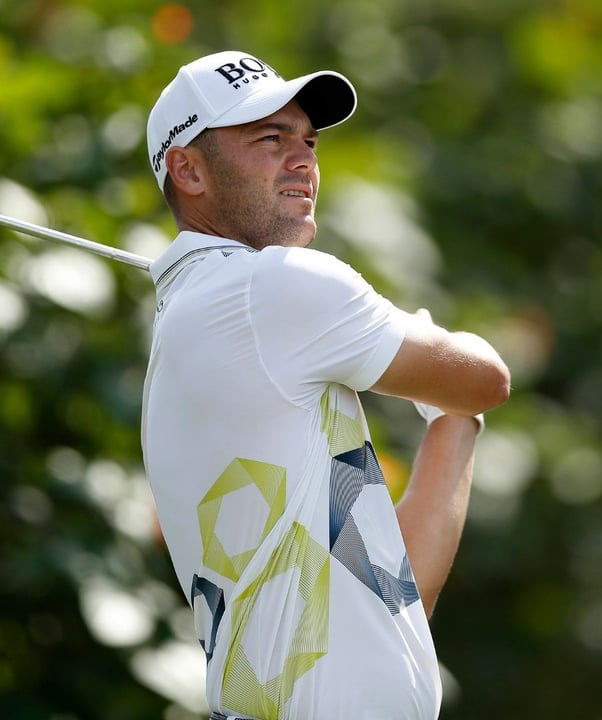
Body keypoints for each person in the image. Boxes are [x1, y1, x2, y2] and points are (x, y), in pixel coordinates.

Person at [140, 50, 510, 720]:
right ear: (188, 169)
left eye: (307, 140)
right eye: (268, 138)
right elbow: (487, 379)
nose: (303, 159)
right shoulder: (271, 287)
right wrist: (460, 358)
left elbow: (397, 605)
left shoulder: (208, 317)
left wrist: (452, 415)